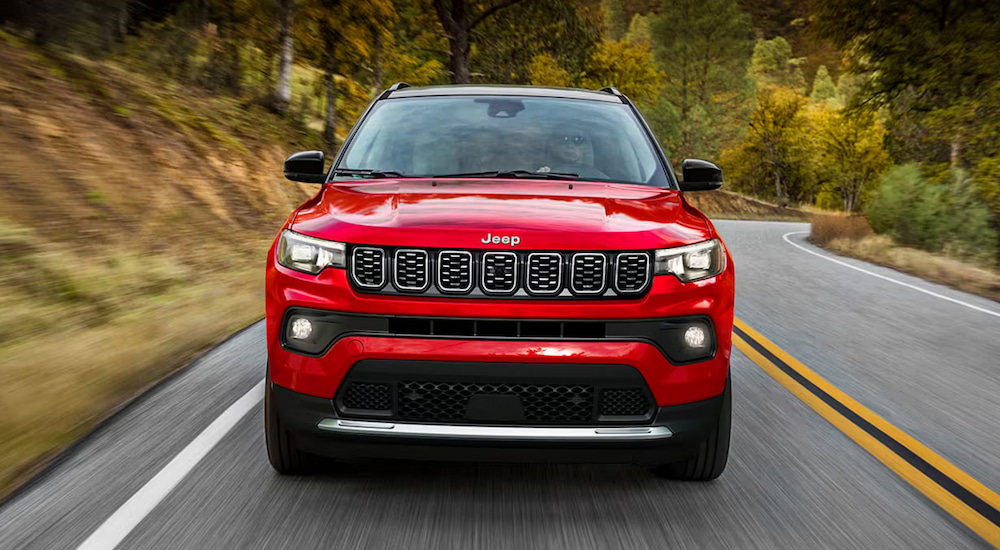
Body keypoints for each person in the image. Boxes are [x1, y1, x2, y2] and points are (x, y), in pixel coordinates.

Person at [538, 128, 609, 180]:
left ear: (585, 147)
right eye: (564, 139)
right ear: (555, 145)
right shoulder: (543, 174)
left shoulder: (600, 178)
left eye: (577, 140)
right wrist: (541, 177)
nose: (570, 145)